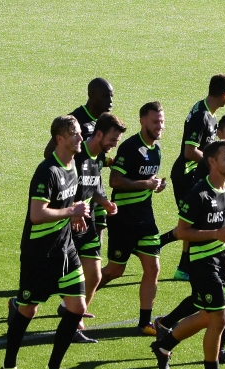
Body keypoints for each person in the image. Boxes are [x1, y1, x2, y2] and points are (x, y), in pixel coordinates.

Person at [155, 112, 225, 364]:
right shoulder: (203, 182)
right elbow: (194, 219)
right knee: (214, 311)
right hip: (206, 255)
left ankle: (171, 335)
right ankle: (210, 366)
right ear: (219, 135)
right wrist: (215, 232)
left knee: (221, 303)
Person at [2, 115, 90, 369]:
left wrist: (75, 214)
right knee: (29, 310)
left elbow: (67, 200)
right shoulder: (47, 171)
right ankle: (8, 368)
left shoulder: (72, 165)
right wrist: (71, 211)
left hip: (65, 249)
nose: (80, 138)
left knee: (78, 307)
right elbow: (37, 214)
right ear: (60, 139)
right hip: (39, 254)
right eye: (75, 134)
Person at [149, 140, 225, 369]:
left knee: (207, 316)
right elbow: (182, 232)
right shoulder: (198, 194)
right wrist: (215, 235)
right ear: (212, 162)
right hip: (203, 264)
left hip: (224, 262)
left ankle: (164, 345)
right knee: (220, 317)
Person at [97, 102, 167, 336]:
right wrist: (146, 184)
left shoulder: (156, 149)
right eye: (155, 121)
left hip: (145, 218)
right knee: (115, 270)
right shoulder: (129, 147)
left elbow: (147, 180)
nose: (160, 126)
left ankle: (144, 322)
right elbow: (115, 181)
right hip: (123, 218)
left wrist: (156, 186)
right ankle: (72, 303)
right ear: (143, 121)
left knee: (153, 267)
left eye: (162, 121)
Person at [162, 74, 225, 281]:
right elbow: (189, 151)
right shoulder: (202, 115)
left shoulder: (207, 112)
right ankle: (178, 261)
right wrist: (214, 161)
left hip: (195, 174)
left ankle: (184, 267)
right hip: (186, 174)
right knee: (193, 225)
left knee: (196, 224)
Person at [65, 112, 126, 343]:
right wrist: (71, 212)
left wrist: (105, 203)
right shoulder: (76, 157)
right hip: (67, 225)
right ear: (98, 134)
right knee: (49, 280)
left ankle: (74, 322)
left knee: (95, 274)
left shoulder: (96, 158)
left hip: (86, 224)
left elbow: (96, 185)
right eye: (112, 139)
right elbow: (62, 189)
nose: (113, 145)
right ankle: (18, 303)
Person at [43, 78, 115, 244]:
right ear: (91, 95)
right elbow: (49, 152)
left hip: (95, 187)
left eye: (111, 96)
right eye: (105, 96)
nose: (110, 101)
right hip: (77, 194)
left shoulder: (102, 121)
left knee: (96, 242)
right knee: (77, 242)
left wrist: (107, 162)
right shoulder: (76, 120)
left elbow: (93, 155)